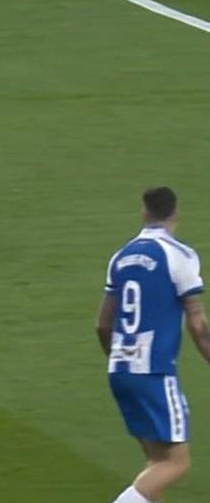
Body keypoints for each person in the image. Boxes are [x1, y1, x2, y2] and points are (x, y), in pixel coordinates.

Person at [98, 187, 210, 503]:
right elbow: (198, 324)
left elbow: (102, 324)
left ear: (144, 212)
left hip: (121, 369)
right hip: (155, 371)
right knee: (175, 463)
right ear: (175, 212)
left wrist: (121, 360)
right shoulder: (179, 255)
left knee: (156, 466)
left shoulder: (120, 257)